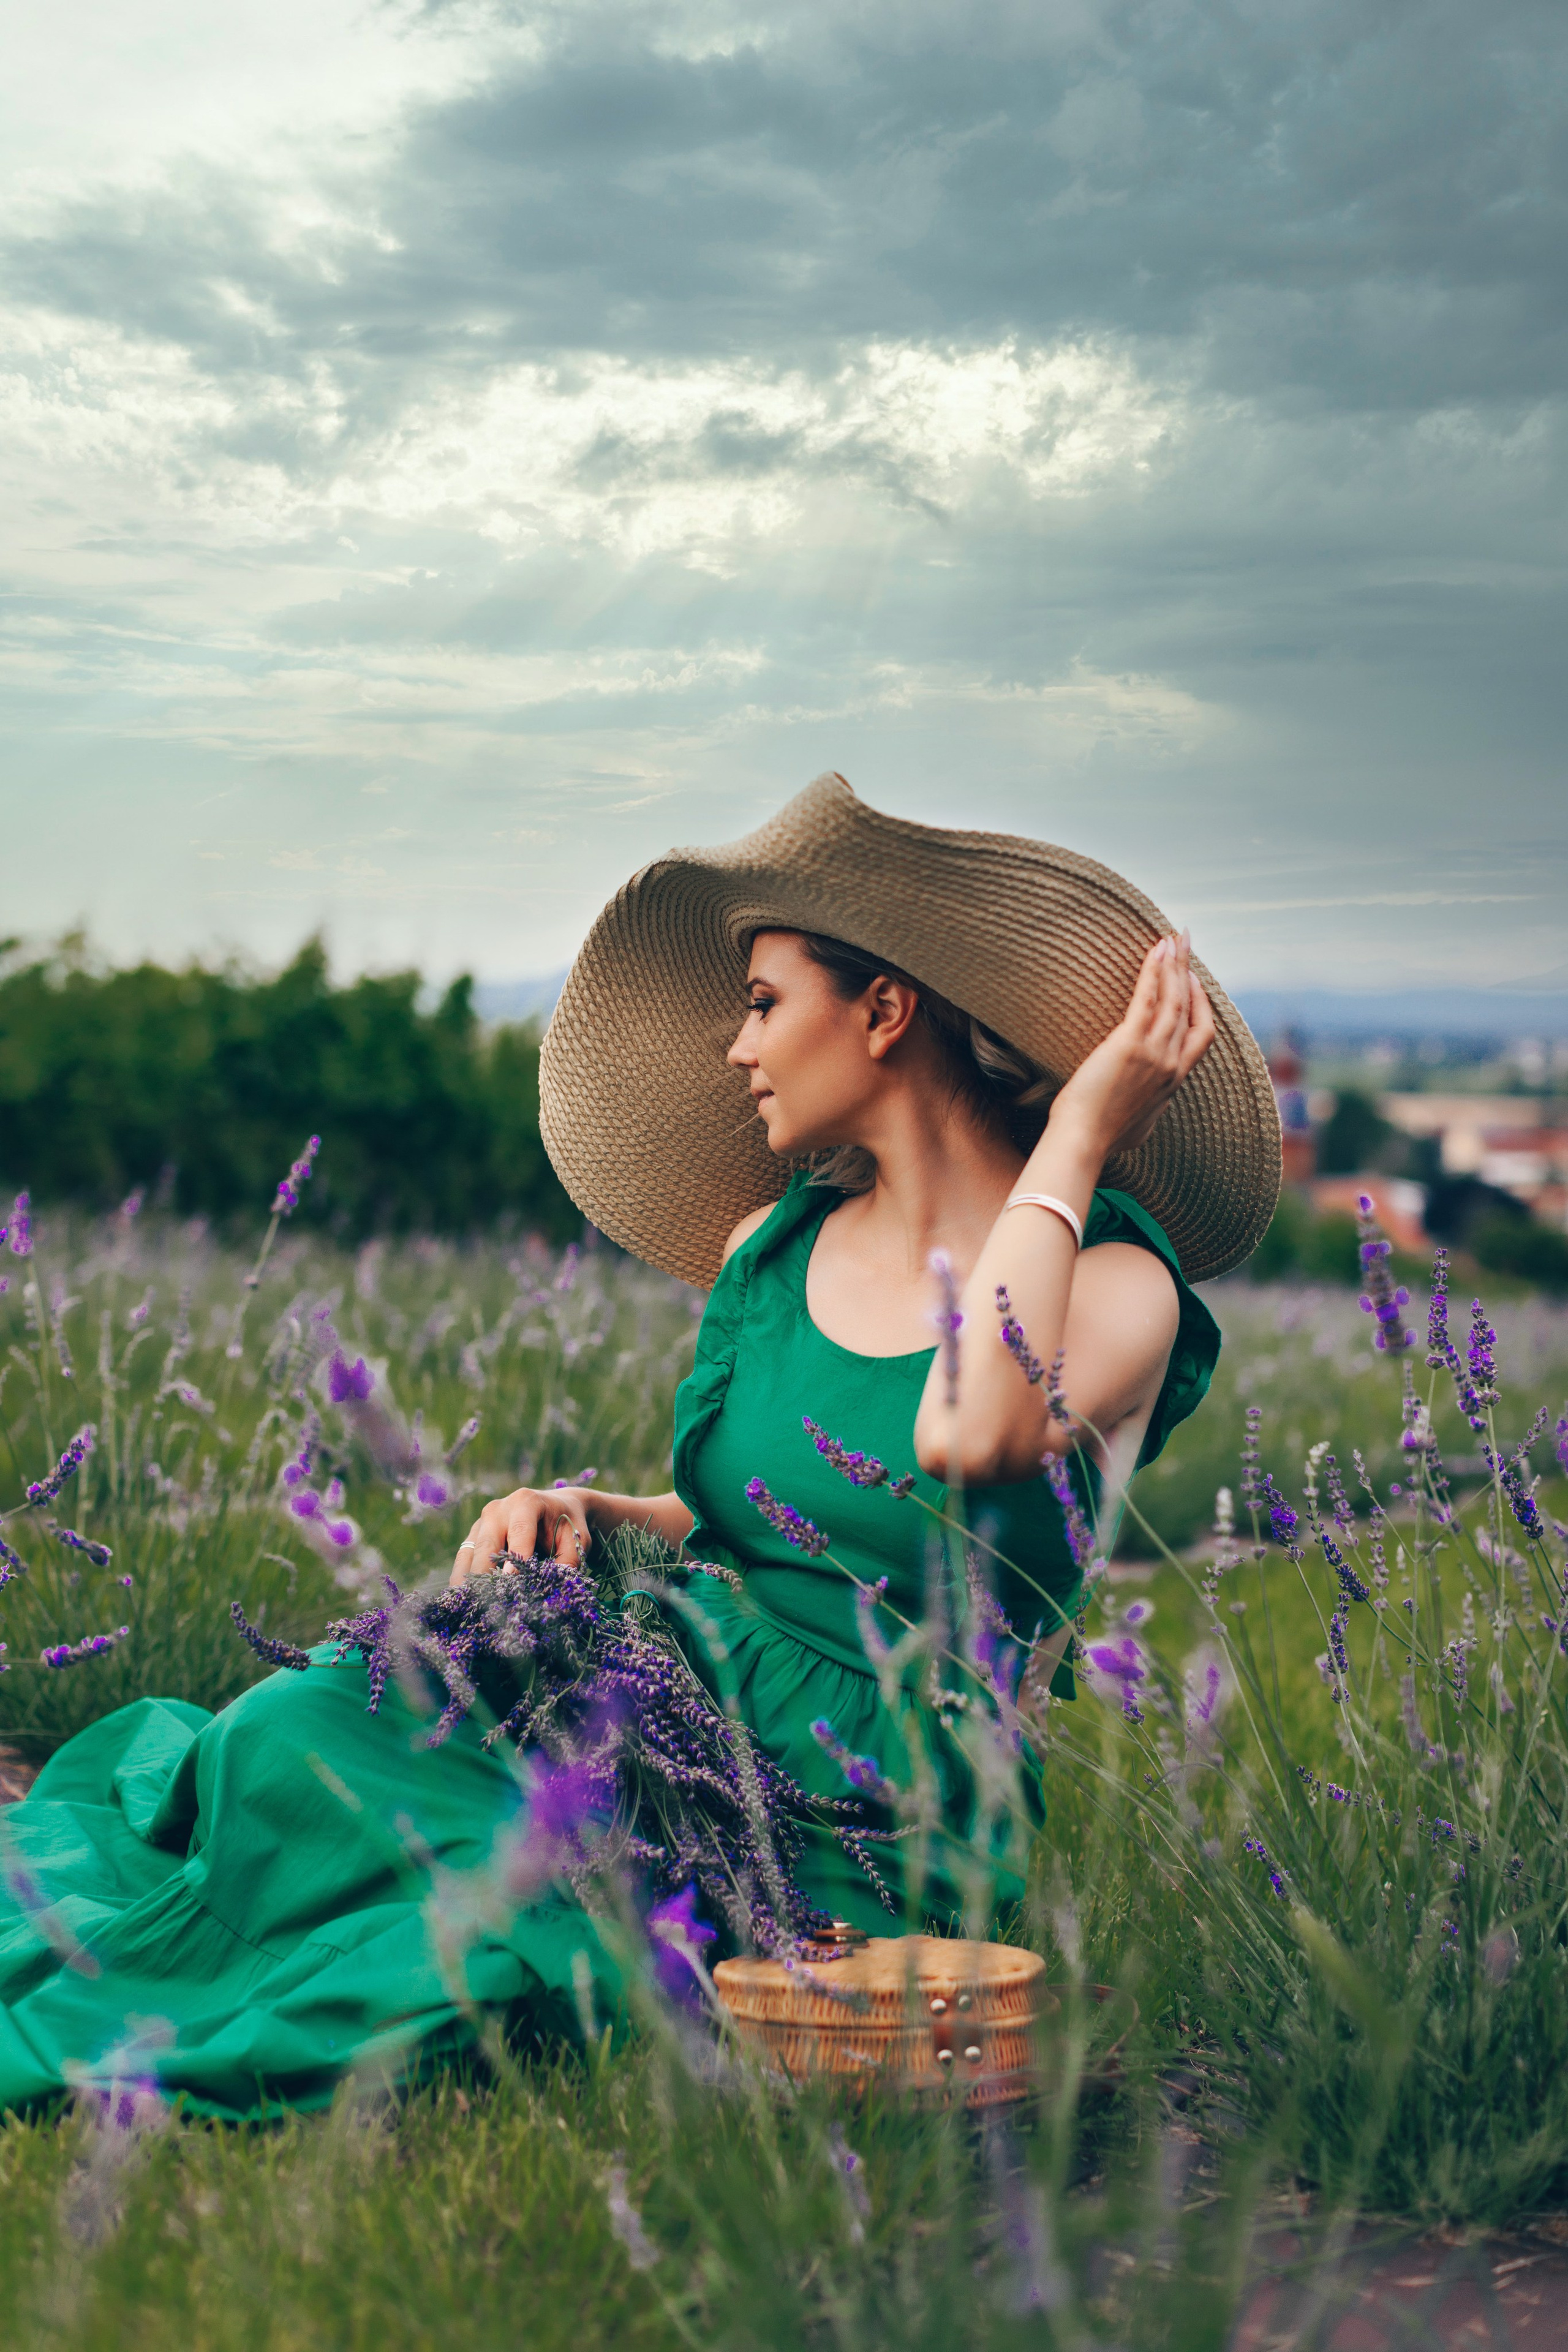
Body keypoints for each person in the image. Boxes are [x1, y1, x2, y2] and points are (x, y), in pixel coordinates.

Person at [0, 777, 1278, 2118]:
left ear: (885, 1011)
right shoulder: (771, 1248)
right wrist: (594, 1511)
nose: (739, 1047)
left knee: (504, 1945)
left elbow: (967, 1430)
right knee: (288, 1733)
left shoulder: (1119, 1287)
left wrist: (1075, 1136)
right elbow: (754, 1515)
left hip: (854, 1805)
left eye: (765, 1003)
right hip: (660, 1687)